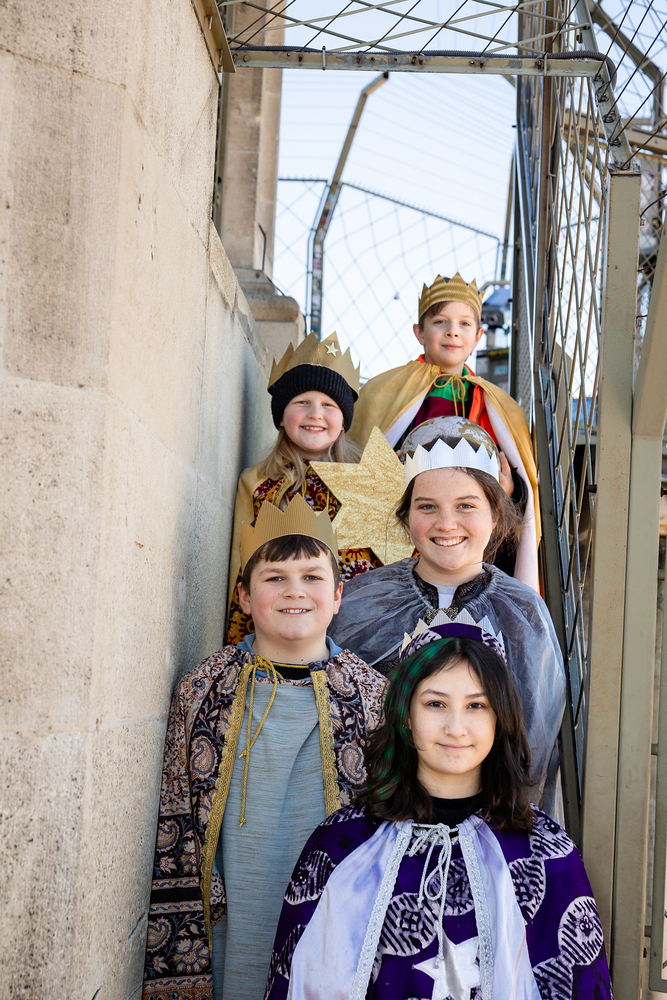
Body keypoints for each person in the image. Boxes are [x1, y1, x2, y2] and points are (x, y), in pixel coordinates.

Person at [265, 630, 611, 1000]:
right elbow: (293, 980)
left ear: (501, 718)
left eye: (476, 706)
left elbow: (581, 983)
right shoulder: (340, 844)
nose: (455, 728)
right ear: (406, 715)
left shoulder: (545, 850)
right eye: (435, 704)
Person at [142, 495, 387, 1000]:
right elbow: (177, 818)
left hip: (332, 922)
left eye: (312, 577)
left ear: (338, 595)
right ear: (243, 596)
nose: (294, 591)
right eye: (275, 577)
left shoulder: (373, 698)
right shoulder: (203, 689)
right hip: (234, 915)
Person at [328, 420, 565, 806]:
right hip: (374, 810)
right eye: (427, 507)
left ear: (495, 514)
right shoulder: (361, 601)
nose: (446, 524)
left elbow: (534, 739)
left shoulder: (524, 614)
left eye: (466, 506)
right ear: (406, 515)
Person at [348, 273, 539, 590]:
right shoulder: (383, 392)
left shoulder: (501, 406)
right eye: (440, 322)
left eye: (464, 323)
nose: (453, 331)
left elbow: (521, 484)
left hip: (471, 538)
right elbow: (360, 468)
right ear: (419, 332)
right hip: (406, 530)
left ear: (478, 336)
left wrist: (510, 490)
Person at [227, 330, 382, 645]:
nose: (315, 414)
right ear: (281, 417)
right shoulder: (257, 482)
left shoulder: (369, 482)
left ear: (344, 421)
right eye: (302, 402)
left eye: (328, 405)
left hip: (358, 630)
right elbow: (242, 565)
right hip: (283, 627)